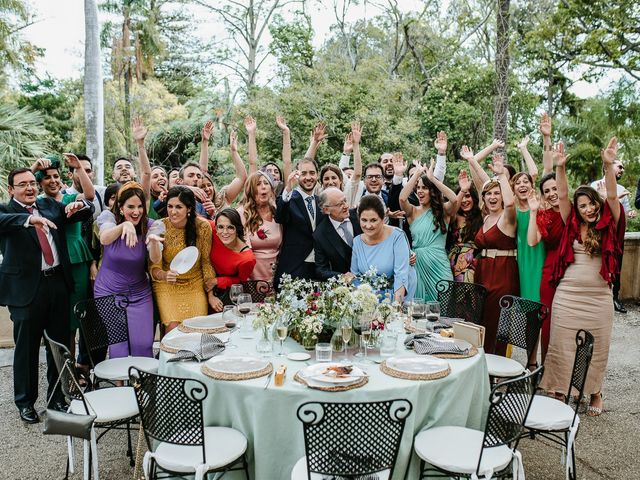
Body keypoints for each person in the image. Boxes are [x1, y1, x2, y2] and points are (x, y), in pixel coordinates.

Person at [0, 167, 93, 423]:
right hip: (26, 292)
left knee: (59, 347)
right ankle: (25, 403)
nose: (29, 188)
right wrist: (30, 220)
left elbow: (88, 209)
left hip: (57, 285)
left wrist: (78, 207)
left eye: (32, 183)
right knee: (27, 350)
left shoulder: (49, 205)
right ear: (11, 189)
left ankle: (57, 398)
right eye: (22, 184)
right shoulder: (6, 211)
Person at [541, 139, 623, 417]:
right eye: (582, 206)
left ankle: (595, 392)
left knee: (597, 346)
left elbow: (613, 196)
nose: (588, 209)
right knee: (562, 345)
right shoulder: (572, 223)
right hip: (568, 296)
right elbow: (563, 196)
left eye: (591, 204)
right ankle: (561, 390)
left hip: (599, 296)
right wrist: (560, 168)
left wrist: (609, 165)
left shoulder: (609, 221)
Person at [33, 155, 95, 361]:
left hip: (77, 258)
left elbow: (90, 194)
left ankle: (83, 363)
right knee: (63, 320)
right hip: (56, 261)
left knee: (80, 313)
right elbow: (20, 189)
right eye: (47, 177)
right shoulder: (39, 203)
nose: (52, 180)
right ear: (39, 182)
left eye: (56, 176)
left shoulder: (71, 198)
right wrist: (34, 167)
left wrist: (78, 168)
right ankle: (66, 367)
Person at [95, 182, 164, 358]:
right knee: (119, 345)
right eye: (131, 207)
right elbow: (104, 238)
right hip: (108, 292)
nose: (136, 212)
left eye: (140, 206)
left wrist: (155, 243)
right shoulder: (108, 218)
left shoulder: (152, 225)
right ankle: (120, 385)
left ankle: (142, 384)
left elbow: (155, 258)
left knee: (143, 344)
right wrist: (124, 226)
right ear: (120, 207)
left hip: (139, 292)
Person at [150, 186, 219, 333]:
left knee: (196, 329)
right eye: (170, 206)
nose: (173, 211)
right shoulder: (159, 226)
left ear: (189, 209)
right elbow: (154, 267)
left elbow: (206, 262)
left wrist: (211, 295)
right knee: (172, 329)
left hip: (195, 283)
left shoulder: (202, 227)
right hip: (167, 284)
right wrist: (165, 275)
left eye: (178, 207)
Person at [472, 156, 519, 355]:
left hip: (502, 275)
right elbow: (480, 184)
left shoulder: (508, 218)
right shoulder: (486, 217)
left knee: (498, 324)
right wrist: (472, 161)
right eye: (488, 194)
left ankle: (498, 374)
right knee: (482, 323)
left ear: (503, 195)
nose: (492, 197)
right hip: (483, 275)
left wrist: (501, 175)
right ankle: (482, 368)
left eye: (497, 193)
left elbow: (510, 204)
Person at [399, 160, 456, 301]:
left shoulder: (443, 211)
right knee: (418, 308)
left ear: (432, 191)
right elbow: (402, 198)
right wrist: (417, 173)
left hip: (439, 264)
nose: (420, 191)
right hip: (417, 265)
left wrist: (433, 179)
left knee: (443, 307)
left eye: (424, 188)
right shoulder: (412, 211)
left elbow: (454, 200)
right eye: (418, 188)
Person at [350, 195, 416, 303]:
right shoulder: (357, 241)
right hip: (369, 301)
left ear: (382, 219)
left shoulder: (397, 236)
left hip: (396, 296)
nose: (368, 225)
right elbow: (355, 276)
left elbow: (401, 276)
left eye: (373, 220)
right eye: (364, 220)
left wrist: (396, 308)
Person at [590, 158, 636, 313]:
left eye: (623, 167)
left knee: (617, 267)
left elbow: (626, 210)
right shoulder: (595, 186)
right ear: (607, 167)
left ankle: (614, 298)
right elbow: (590, 210)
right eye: (620, 166)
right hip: (599, 235)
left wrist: (630, 213)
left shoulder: (622, 188)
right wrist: (611, 200)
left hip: (617, 235)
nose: (622, 169)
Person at [526, 173, 563, 362]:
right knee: (547, 320)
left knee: (566, 320)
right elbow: (532, 241)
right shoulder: (544, 215)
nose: (552, 193)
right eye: (547, 191)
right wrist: (533, 212)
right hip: (549, 270)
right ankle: (547, 369)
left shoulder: (575, 210)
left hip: (571, 269)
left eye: (555, 188)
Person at [274, 158, 325, 288]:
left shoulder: (321, 202)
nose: (308, 177)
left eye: (312, 173)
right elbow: (280, 216)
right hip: (295, 267)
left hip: (319, 268)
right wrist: (288, 188)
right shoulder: (289, 199)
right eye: (304, 173)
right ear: (297, 175)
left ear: (317, 174)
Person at [237, 171, 282, 283]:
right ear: (251, 190)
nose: (263, 187)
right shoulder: (242, 214)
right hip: (252, 275)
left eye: (266, 183)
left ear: (271, 190)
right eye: (258, 184)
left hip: (277, 273)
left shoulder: (278, 211)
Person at [199, 121, 248, 217]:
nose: (207, 189)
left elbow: (241, 178)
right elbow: (201, 173)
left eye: (209, 185)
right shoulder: (192, 203)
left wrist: (234, 152)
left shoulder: (221, 198)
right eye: (202, 187)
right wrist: (204, 142)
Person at [314, 187, 362, 280]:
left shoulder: (359, 216)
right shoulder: (320, 235)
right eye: (340, 204)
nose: (346, 206)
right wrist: (341, 277)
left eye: (345, 201)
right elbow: (321, 270)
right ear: (326, 210)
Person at [208, 208, 256, 301]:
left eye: (230, 227)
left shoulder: (247, 258)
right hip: (205, 283)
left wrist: (217, 281)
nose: (224, 232)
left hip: (228, 294)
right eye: (220, 227)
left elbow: (241, 281)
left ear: (237, 229)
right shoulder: (214, 231)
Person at [447, 171, 483, 282]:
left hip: (473, 265)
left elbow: (482, 190)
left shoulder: (481, 215)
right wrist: (462, 190)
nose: (464, 200)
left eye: (468, 196)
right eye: (462, 197)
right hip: (451, 264)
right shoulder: (454, 217)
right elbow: (452, 209)